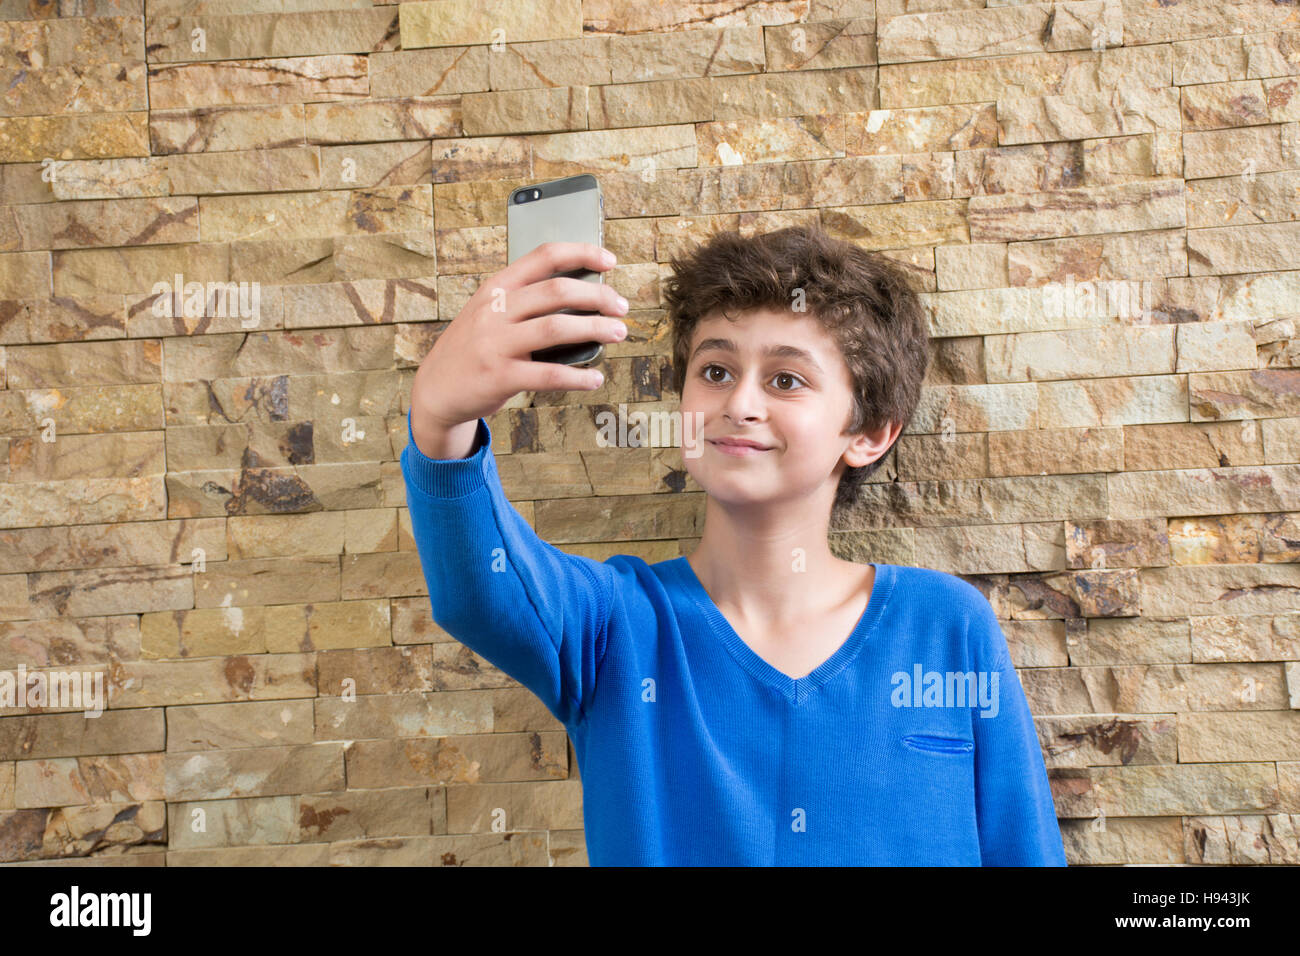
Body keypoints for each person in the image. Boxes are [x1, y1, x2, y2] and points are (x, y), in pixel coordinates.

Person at [402, 223, 1067, 866]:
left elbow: (1021, 847)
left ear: (869, 433)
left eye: (786, 380)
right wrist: (439, 418)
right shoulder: (613, 627)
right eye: (715, 370)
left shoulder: (946, 625)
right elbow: (479, 592)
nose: (740, 403)